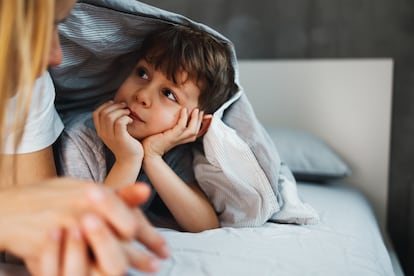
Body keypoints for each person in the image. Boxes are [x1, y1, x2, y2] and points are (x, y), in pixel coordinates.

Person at [0, 0, 169, 275]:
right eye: (33, 27)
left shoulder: (26, 87)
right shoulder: (82, 137)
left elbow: (39, 233)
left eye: (56, 25)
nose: (56, 57)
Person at [57, 24, 239, 233]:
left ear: (196, 125)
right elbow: (93, 231)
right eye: (142, 73)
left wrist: (152, 157)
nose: (142, 95)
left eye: (169, 94)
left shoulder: (165, 147)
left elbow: (205, 225)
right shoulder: (80, 140)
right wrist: (128, 160)